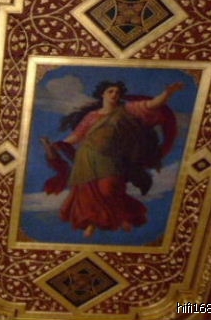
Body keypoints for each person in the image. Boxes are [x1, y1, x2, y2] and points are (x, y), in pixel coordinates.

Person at [42, 80, 184, 238]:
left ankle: (123, 215)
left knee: (109, 189)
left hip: (111, 158)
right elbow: (77, 136)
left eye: (117, 92)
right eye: (110, 91)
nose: (114, 94)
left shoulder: (127, 110)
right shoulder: (91, 116)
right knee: (87, 192)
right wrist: (56, 145)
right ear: (103, 94)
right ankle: (92, 223)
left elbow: (151, 105)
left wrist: (167, 93)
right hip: (87, 157)